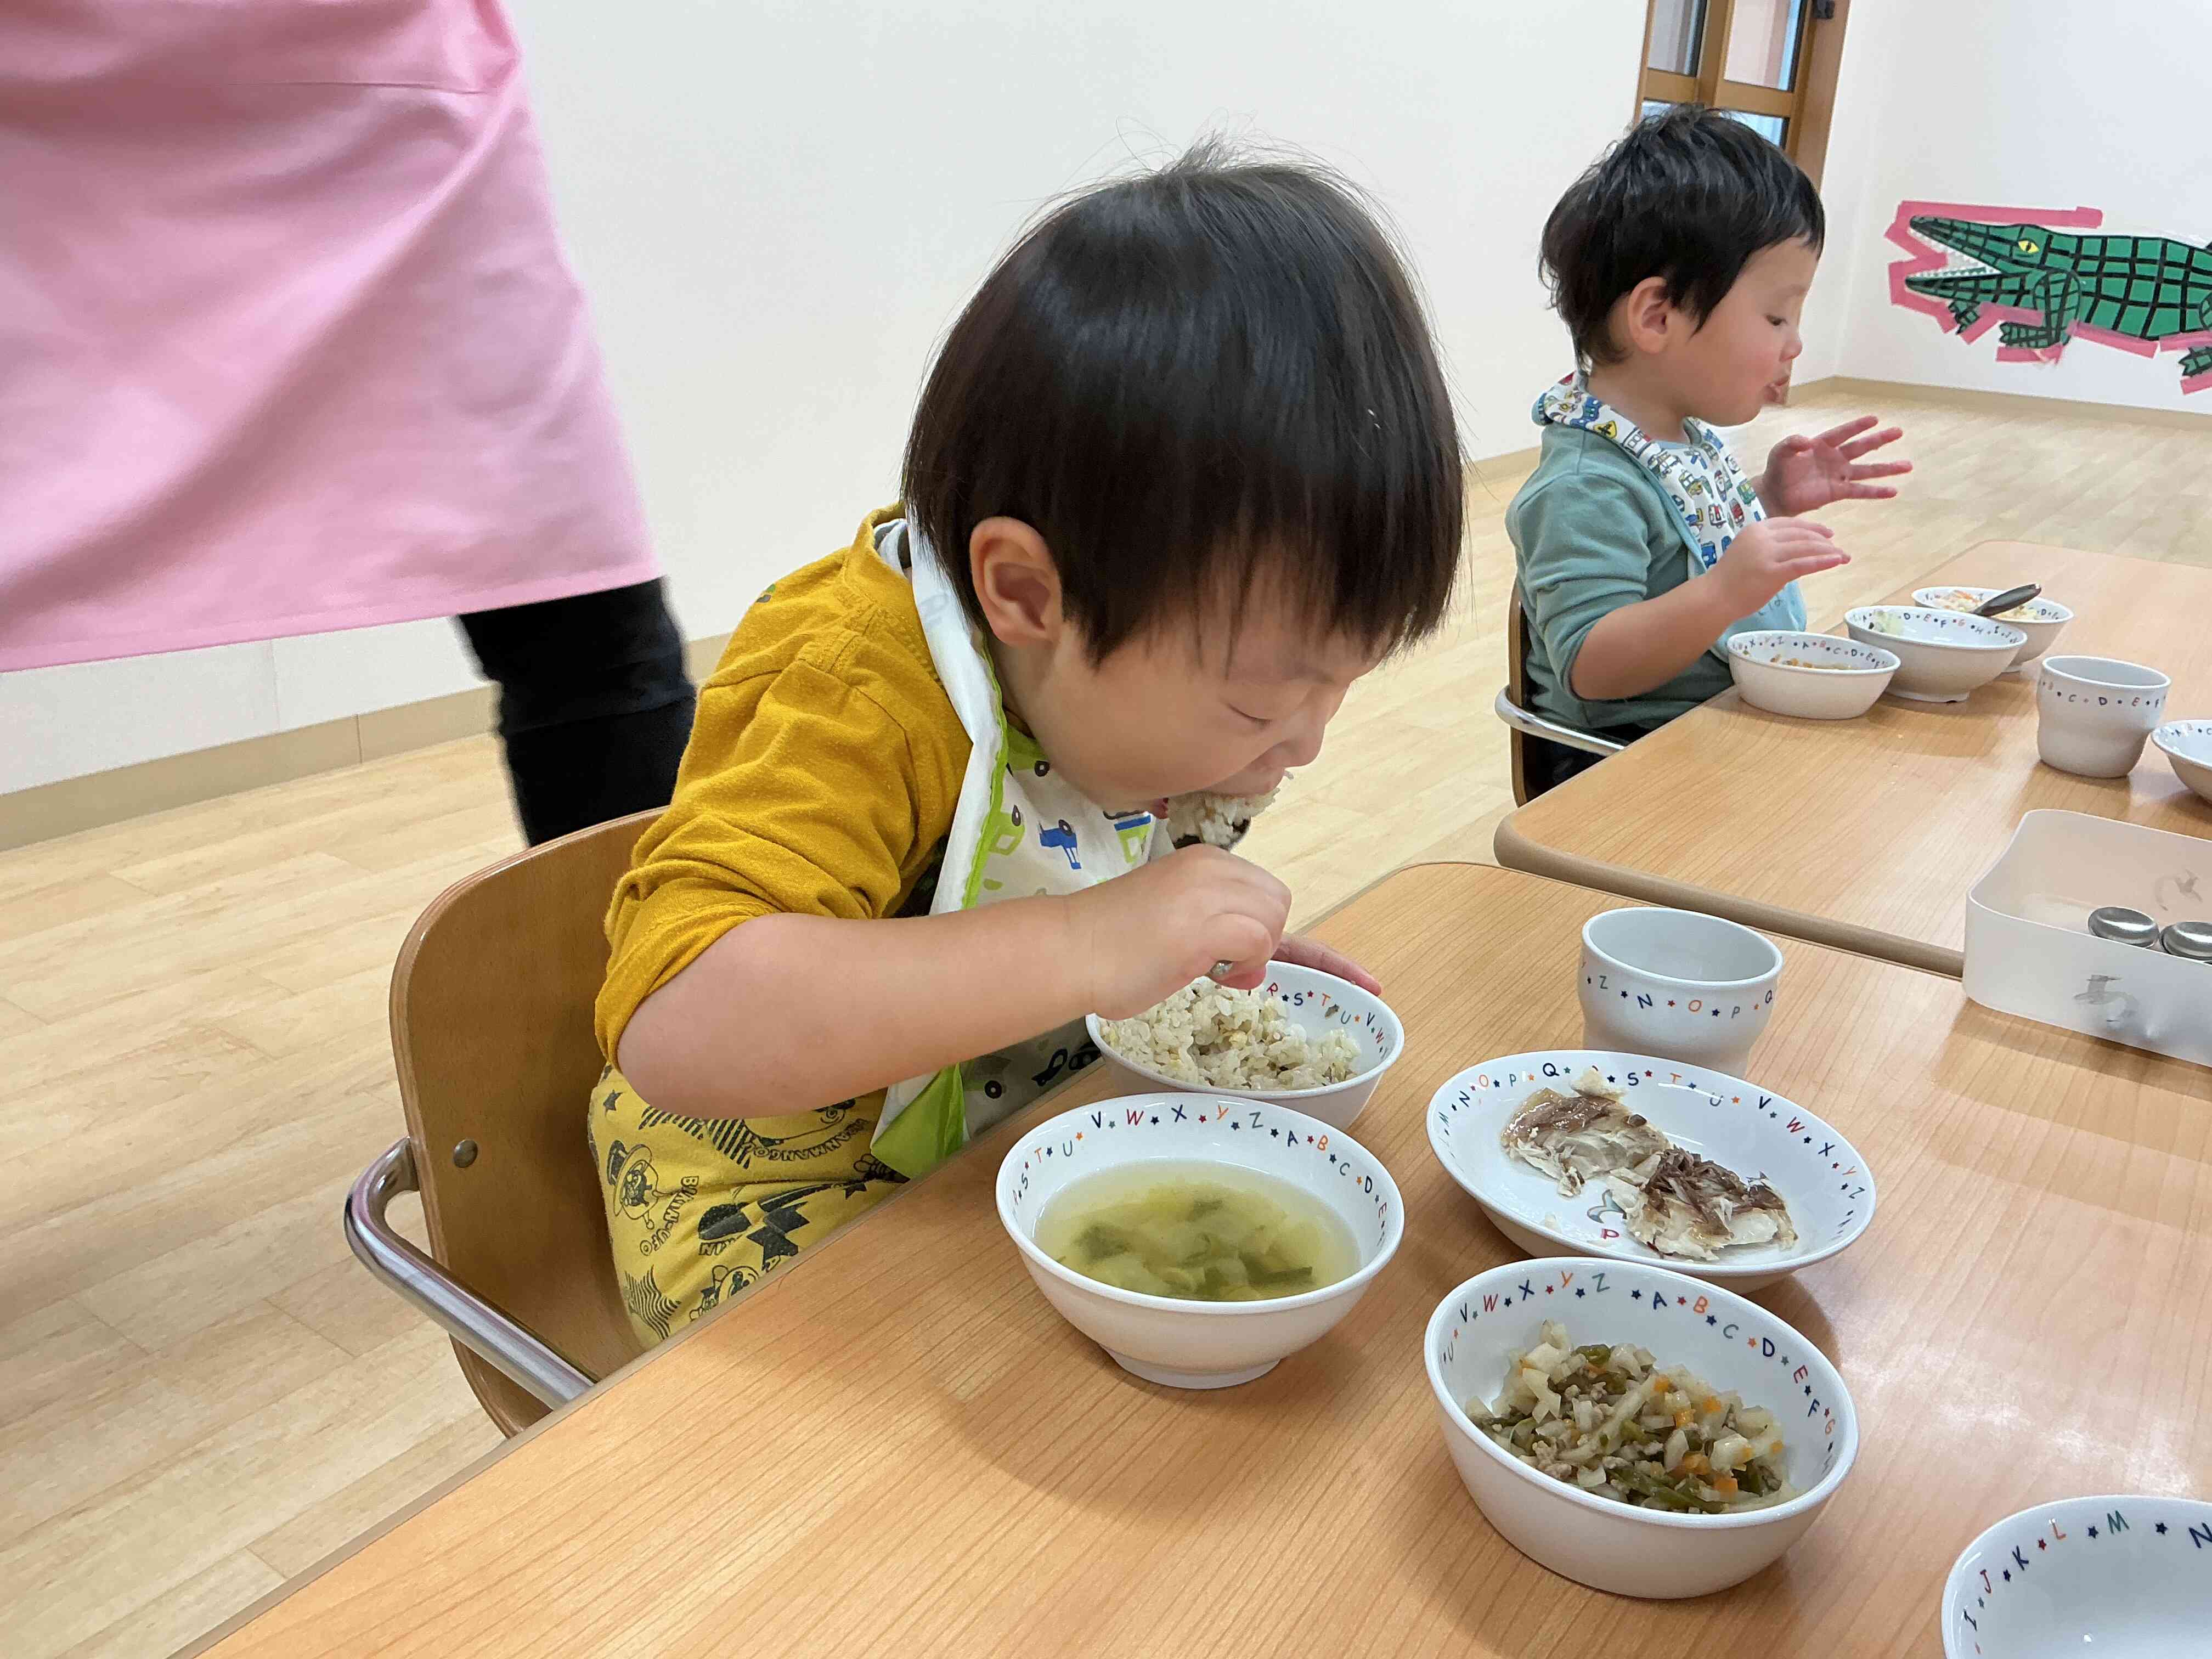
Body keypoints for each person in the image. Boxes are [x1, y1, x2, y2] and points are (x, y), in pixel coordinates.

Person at [586, 144, 1465, 1344]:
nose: (1303, 745)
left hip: (994, 1127)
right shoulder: (858, 684)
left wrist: (1177, 943)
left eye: (1343, 687)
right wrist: (1086, 939)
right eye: (1262, 705)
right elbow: (680, 1023)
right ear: (1026, 592)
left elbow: (1073, 862)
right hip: (763, 1181)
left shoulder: (1141, 681)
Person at [0, 0, 692, 845]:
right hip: (42, 127)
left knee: (585, 609)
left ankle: (645, 969)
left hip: (403, 118)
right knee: (596, 647)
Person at [1508, 106, 1911, 797]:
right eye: (1776, 316)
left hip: (1718, 742)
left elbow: (1680, 537)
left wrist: (1768, 496)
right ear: (1658, 317)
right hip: (1627, 777)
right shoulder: (1583, 485)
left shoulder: (1680, 437)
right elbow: (1591, 666)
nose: (1795, 344)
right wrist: (1727, 591)